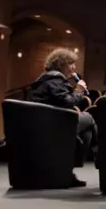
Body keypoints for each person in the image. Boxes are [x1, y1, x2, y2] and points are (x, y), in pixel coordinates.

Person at [28, 48, 95, 187]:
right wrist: (78, 90)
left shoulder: (48, 79)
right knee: (89, 118)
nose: (74, 67)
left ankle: (67, 172)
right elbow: (68, 102)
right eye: (71, 63)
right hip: (53, 124)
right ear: (61, 64)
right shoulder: (55, 80)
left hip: (49, 122)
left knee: (87, 134)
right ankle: (103, 157)